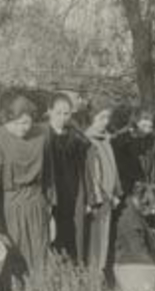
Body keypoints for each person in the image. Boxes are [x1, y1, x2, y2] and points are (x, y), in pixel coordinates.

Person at [0, 94, 54, 279]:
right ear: (8, 119)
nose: (23, 128)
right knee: (14, 257)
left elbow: (49, 172)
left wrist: (51, 204)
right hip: (10, 208)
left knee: (39, 254)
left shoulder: (41, 135)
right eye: (17, 123)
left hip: (37, 205)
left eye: (27, 122)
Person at [79, 97, 123, 272]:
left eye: (107, 118)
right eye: (101, 118)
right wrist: (99, 196)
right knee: (95, 241)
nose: (105, 122)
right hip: (98, 198)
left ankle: (99, 272)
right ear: (92, 119)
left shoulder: (105, 140)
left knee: (104, 239)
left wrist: (116, 192)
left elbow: (112, 168)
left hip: (109, 197)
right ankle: (93, 276)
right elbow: (92, 173)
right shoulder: (88, 141)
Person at [46, 93, 91, 262]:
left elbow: (83, 167)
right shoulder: (43, 135)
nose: (63, 118)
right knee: (52, 236)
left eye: (67, 114)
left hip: (71, 194)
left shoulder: (75, 137)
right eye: (58, 113)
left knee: (70, 235)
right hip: (52, 194)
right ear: (49, 111)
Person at [113, 108, 155, 198]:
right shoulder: (121, 141)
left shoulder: (152, 141)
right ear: (135, 122)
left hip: (148, 189)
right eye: (144, 126)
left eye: (150, 127)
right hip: (126, 189)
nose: (146, 131)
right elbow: (120, 166)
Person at [113, 182, 155, 268]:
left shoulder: (137, 212)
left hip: (134, 263)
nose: (153, 213)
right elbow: (140, 253)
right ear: (145, 202)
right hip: (128, 268)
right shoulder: (131, 219)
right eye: (152, 209)